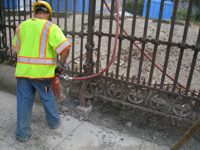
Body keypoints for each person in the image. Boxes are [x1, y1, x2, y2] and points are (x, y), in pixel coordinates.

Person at [11, 1, 71, 142]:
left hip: (23, 72)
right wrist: (60, 65)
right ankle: (53, 122)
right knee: (47, 98)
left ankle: (22, 134)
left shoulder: (21, 27)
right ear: (48, 15)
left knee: (23, 101)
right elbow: (66, 48)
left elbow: (16, 49)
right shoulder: (50, 27)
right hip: (42, 75)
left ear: (35, 13)